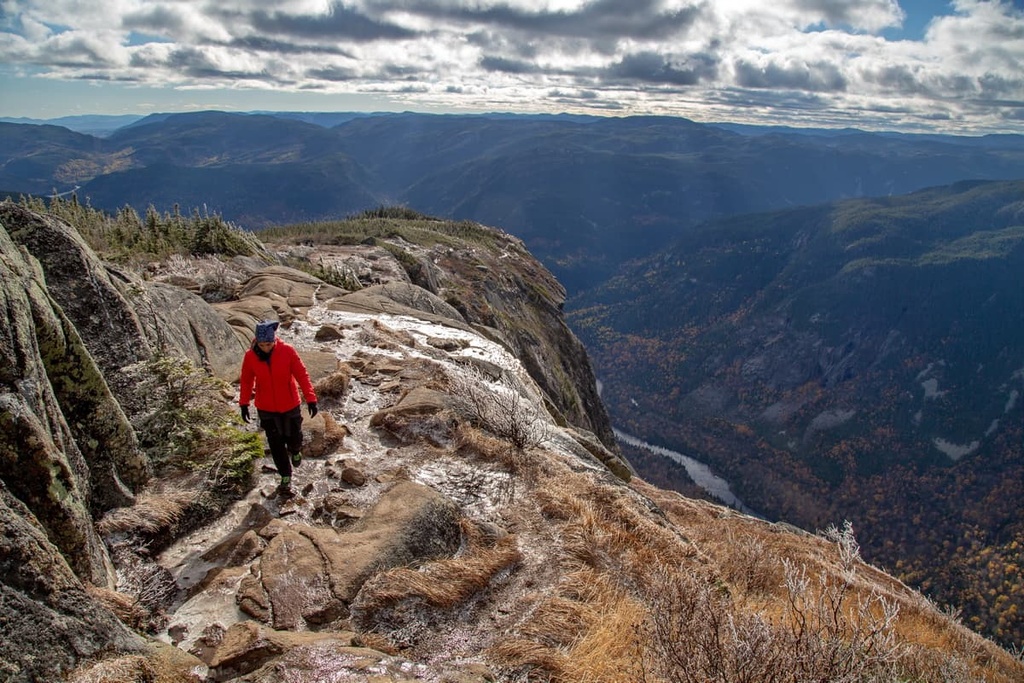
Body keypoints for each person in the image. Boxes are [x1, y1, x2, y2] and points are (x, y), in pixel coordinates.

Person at [239, 320, 318, 495]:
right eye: (261, 344)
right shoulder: (250, 356)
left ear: (274, 340)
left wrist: (311, 398)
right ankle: (285, 476)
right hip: (266, 408)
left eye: (268, 344)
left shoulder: (287, 351)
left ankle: (296, 451)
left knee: (294, 437)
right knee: (275, 444)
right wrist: (244, 404)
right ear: (257, 342)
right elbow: (246, 381)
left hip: (290, 404)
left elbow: (301, 374)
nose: (265, 348)